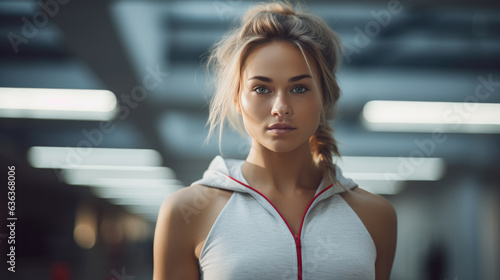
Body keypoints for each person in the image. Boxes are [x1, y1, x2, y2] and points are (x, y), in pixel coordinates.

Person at [153, 1, 397, 279]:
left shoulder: (376, 215)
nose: (280, 106)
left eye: (299, 88)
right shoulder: (186, 211)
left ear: (325, 96)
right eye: (261, 88)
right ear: (236, 98)